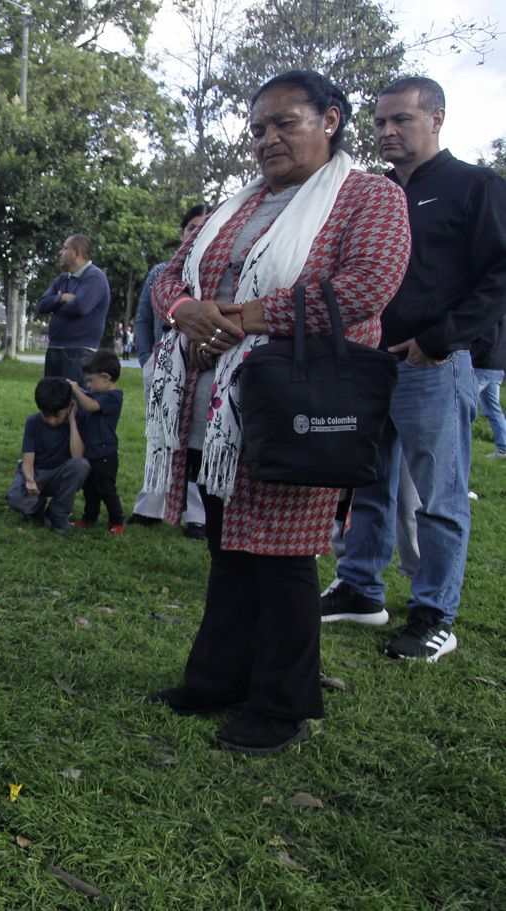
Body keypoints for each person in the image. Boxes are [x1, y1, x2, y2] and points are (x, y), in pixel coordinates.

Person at [146, 70, 410, 754]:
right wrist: (187, 310)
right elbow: (171, 277)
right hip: (218, 405)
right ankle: (216, 679)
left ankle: (281, 702)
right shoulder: (234, 206)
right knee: (229, 548)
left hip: (299, 403)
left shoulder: (368, 197)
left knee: (285, 556)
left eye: (283, 123)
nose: (266, 139)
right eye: (258, 128)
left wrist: (248, 316)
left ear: (329, 119)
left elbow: (367, 283)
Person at [321, 76, 506, 662]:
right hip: (367, 362)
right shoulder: (372, 192)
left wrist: (442, 339)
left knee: (438, 497)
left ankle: (433, 613)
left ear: (438, 119)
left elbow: (499, 274)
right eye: (379, 123)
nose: (387, 132)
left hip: (432, 364)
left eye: (401, 120)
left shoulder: (474, 186)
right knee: (367, 481)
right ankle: (360, 588)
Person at [129, 206, 209, 539]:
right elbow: (144, 319)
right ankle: (151, 506)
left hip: (206, 367)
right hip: (162, 365)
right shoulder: (162, 272)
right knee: (160, 434)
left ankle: (197, 515)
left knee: (198, 439)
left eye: (203, 227)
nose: (195, 233)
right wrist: (148, 356)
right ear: (181, 232)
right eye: (190, 227)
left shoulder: (219, 272)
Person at [6, 377, 89, 530]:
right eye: (46, 415)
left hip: (60, 474)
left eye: (57, 415)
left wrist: (71, 421)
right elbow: (28, 461)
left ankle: (58, 512)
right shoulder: (33, 422)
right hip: (38, 474)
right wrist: (30, 480)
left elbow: (78, 456)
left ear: (70, 406)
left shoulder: (78, 420)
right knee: (15, 498)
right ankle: (36, 506)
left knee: (81, 465)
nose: (51, 421)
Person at [36, 234, 110, 384]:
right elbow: (41, 305)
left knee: (75, 400)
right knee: (52, 401)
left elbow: (80, 306)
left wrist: (54, 306)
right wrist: (61, 298)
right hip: (55, 348)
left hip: (79, 351)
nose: (60, 253)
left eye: (65, 248)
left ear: (76, 253)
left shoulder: (95, 277)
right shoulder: (63, 279)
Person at [70, 348, 125, 533]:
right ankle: (89, 517)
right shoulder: (97, 393)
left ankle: (117, 520)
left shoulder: (113, 397)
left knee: (106, 489)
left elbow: (91, 406)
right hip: (90, 452)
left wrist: (76, 390)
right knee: (90, 489)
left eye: (91, 380)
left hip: (105, 454)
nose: (89, 385)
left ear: (106, 377)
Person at [470, 315, 506, 458]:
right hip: (497, 367)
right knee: (492, 408)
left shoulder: (491, 314)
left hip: (483, 367)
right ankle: (503, 448)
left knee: (460, 407)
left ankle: (457, 446)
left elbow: (488, 341)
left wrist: (472, 359)